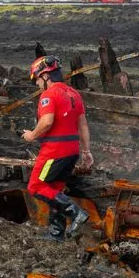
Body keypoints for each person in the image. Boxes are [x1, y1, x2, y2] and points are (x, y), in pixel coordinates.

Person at [21, 55, 93, 240]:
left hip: (54, 150)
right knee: (54, 189)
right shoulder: (74, 94)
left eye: (37, 79)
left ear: (45, 76)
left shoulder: (48, 95)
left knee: (36, 186)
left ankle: (76, 212)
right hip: (72, 151)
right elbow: (83, 125)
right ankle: (56, 233)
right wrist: (86, 152)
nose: (37, 84)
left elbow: (46, 122)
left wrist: (31, 135)